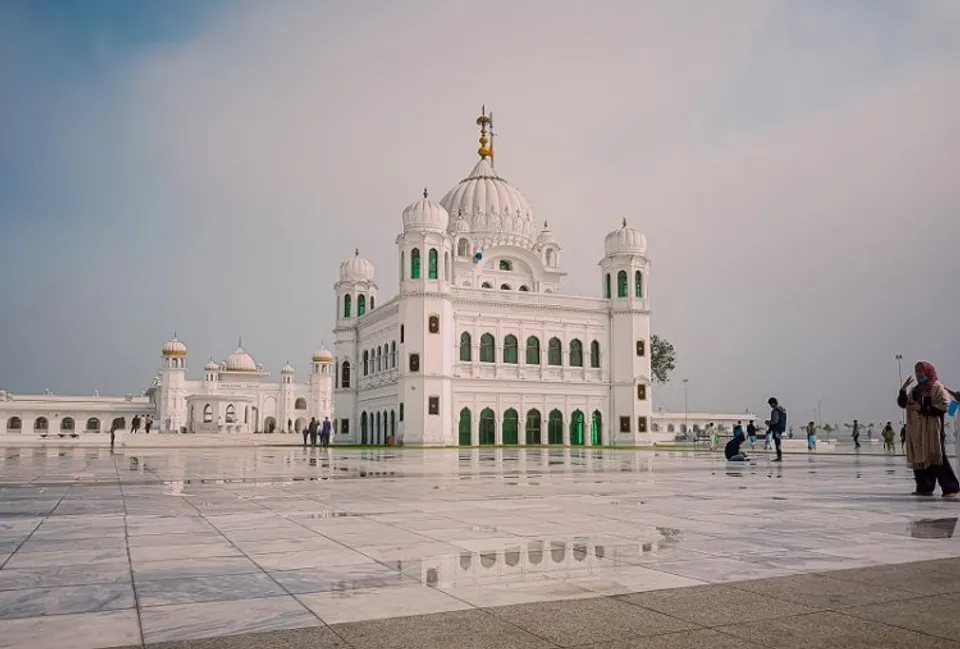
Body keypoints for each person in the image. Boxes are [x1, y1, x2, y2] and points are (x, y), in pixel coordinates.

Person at [897, 361, 959, 498]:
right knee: (920, 459)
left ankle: (950, 487)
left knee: (936, 458)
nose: (918, 374)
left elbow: (945, 406)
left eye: (920, 371)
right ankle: (924, 487)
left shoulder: (937, 387)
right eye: (916, 371)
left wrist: (923, 408)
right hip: (917, 430)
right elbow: (903, 404)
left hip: (932, 429)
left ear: (928, 371)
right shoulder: (915, 389)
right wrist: (903, 391)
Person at [765, 397, 786, 462]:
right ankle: (779, 457)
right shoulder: (783, 410)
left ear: (773, 403)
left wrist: (768, 422)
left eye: (770, 404)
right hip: (781, 428)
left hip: (776, 429)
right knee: (778, 442)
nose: (770, 406)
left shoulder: (775, 411)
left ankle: (779, 457)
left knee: (777, 443)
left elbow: (774, 421)